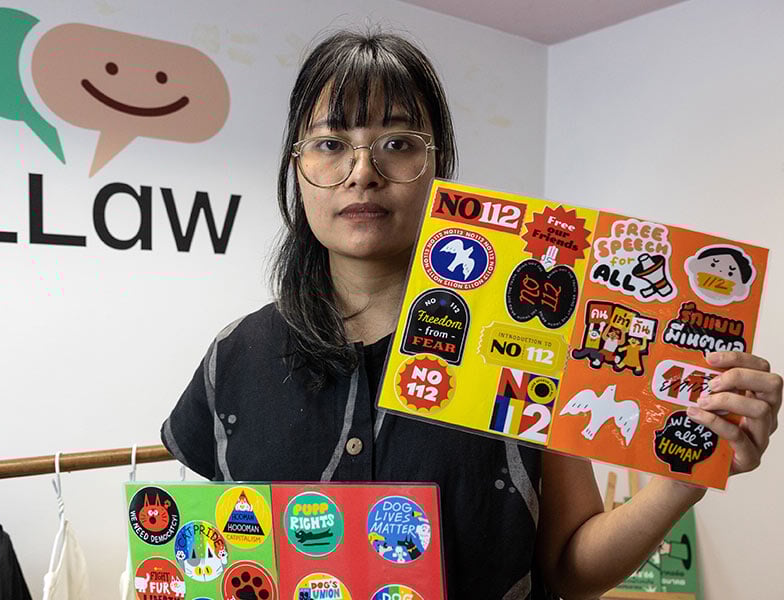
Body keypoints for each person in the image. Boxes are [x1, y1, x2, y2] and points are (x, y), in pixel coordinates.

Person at [161, 29, 782, 599]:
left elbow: (572, 569)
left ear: (438, 167)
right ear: (297, 167)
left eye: (398, 144)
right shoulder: (234, 356)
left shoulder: (528, 343)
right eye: (331, 145)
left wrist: (683, 479)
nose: (363, 173)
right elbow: (216, 557)